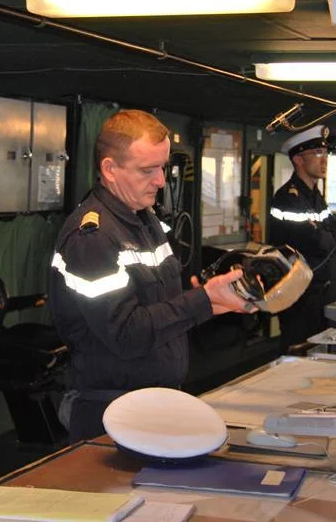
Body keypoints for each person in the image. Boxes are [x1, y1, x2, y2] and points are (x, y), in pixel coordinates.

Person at [48, 109, 252, 442]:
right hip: (112, 413)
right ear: (110, 169)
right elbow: (126, 334)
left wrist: (219, 301)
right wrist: (202, 300)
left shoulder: (146, 221)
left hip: (155, 403)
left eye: (162, 167)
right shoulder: (93, 237)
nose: (159, 180)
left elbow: (163, 305)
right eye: (147, 170)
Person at [267, 125, 336, 352]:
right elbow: (318, 242)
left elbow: (335, 239)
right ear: (298, 160)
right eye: (317, 153)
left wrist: (325, 236)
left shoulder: (314, 196)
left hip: (319, 291)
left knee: (316, 348)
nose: (324, 159)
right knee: (298, 349)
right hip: (299, 294)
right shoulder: (288, 198)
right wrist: (325, 237)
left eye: (325, 153)